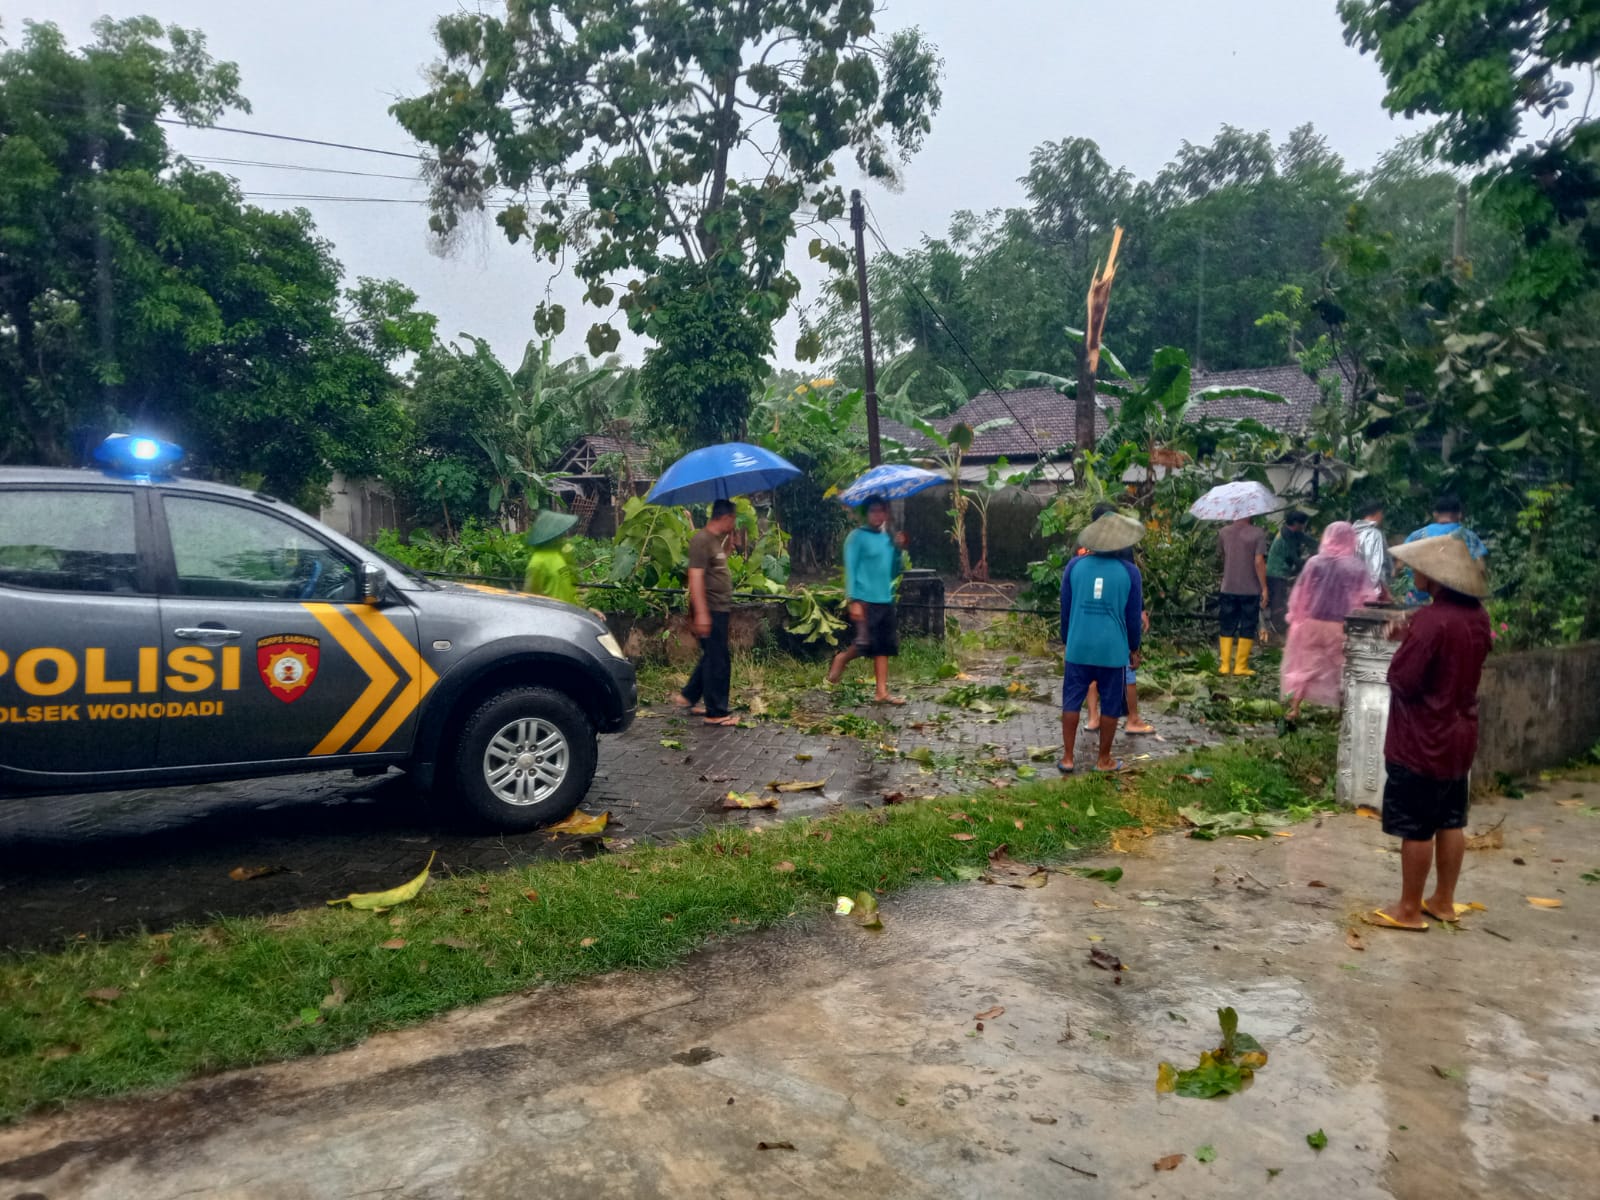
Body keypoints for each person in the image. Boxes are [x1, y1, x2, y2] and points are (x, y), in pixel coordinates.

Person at [1369, 534, 1492, 932]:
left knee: (1417, 825)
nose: (1415, 573)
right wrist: (1412, 633)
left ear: (1436, 578)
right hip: (1459, 734)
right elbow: (1455, 655)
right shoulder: (1477, 617)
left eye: (1421, 569)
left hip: (1422, 736)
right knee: (1450, 819)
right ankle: (1443, 901)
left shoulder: (1431, 620)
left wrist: (1409, 639)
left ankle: (1407, 908)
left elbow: (1402, 679)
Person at [1059, 512, 1145, 773]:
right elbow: (1133, 617)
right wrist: (1134, 647)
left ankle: (1067, 758)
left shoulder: (1074, 566)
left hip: (1078, 648)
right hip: (1113, 651)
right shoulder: (1130, 573)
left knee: (1071, 701)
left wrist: (1067, 639)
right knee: (1110, 704)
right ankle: (1103, 759)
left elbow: (1065, 607)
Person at [1278, 522, 1375, 723]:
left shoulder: (1314, 563)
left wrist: (1295, 615)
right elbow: (1366, 598)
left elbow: (1301, 592)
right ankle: (1344, 712)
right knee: (1342, 667)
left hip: (1312, 622)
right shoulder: (1356, 566)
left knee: (1305, 665)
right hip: (1341, 625)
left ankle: (1294, 709)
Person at [827, 496, 909, 705]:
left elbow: (892, 572)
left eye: (881, 511)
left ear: (886, 513)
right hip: (864, 599)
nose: (878, 515)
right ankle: (842, 658)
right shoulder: (856, 537)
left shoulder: (887, 538)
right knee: (865, 643)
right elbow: (851, 569)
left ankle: (881, 691)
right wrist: (853, 599)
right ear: (866, 513)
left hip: (884, 597)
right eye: (873, 511)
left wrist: (898, 550)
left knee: (884, 645)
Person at [1081, 502, 1154, 736]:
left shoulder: (1083, 546)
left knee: (1090, 669)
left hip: (1089, 617)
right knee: (1126, 670)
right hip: (1116, 618)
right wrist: (1140, 612)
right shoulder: (1121, 546)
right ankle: (1132, 719)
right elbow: (1132, 586)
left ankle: (1093, 718)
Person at [675, 499, 739, 727]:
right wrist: (701, 613)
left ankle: (689, 696)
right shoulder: (701, 539)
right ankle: (716, 712)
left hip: (718, 607)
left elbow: (715, 567)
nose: (735, 523)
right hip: (711, 609)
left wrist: (728, 549)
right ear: (726, 517)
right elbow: (695, 576)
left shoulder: (712, 541)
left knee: (712, 656)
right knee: (718, 661)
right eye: (733, 519)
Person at [1400, 493, 1488, 605]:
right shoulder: (1469, 537)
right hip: (1458, 601)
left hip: (1419, 600)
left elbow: (1402, 563)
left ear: (1435, 514)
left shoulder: (1417, 536)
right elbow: (1480, 568)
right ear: (1459, 514)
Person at [1216, 514, 1268, 676]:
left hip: (1228, 586)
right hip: (1250, 588)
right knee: (1248, 624)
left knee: (1227, 624)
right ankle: (1240, 666)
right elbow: (1259, 561)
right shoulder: (1258, 533)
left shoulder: (1223, 532)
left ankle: (1224, 665)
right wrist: (1264, 587)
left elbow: (1222, 555)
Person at [1264, 510, 1313, 643]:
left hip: (1283, 572)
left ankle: (1281, 630)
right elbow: (1295, 558)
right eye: (1303, 524)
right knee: (1278, 603)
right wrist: (1309, 563)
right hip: (1276, 573)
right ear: (1297, 523)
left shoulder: (1294, 532)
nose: (1304, 527)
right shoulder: (1287, 535)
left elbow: (1309, 541)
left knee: (1283, 601)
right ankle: (1277, 633)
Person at [521, 510, 580, 605]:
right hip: (554, 616)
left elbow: (566, 592)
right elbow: (530, 599)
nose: (563, 537)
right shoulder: (537, 563)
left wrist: (585, 610)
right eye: (560, 534)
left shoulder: (557, 556)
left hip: (567, 615)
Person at [1352, 500, 1390, 597]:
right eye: (1381, 513)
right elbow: (1375, 566)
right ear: (1377, 513)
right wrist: (1380, 590)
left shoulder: (1352, 533)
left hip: (1353, 590)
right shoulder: (1374, 534)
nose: (1382, 517)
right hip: (1371, 593)